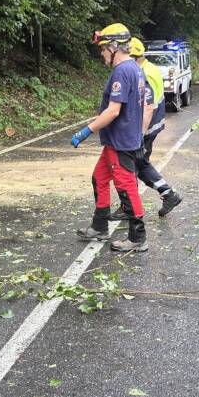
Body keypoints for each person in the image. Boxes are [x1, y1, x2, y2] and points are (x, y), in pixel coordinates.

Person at [70, 23, 148, 252]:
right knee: (99, 178)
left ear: (114, 47)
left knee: (125, 187)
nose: (102, 54)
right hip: (118, 140)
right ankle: (100, 226)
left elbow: (114, 111)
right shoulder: (135, 69)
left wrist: (86, 130)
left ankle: (138, 237)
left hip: (121, 142)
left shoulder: (123, 71)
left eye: (103, 49)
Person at [110, 38, 182, 218]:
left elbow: (148, 107)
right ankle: (166, 194)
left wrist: (140, 136)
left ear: (133, 56)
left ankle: (131, 207)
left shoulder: (144, 73)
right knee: (139, 164)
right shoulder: (150, 68)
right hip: (151, 125)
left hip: (146, 127)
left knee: (132, 166)